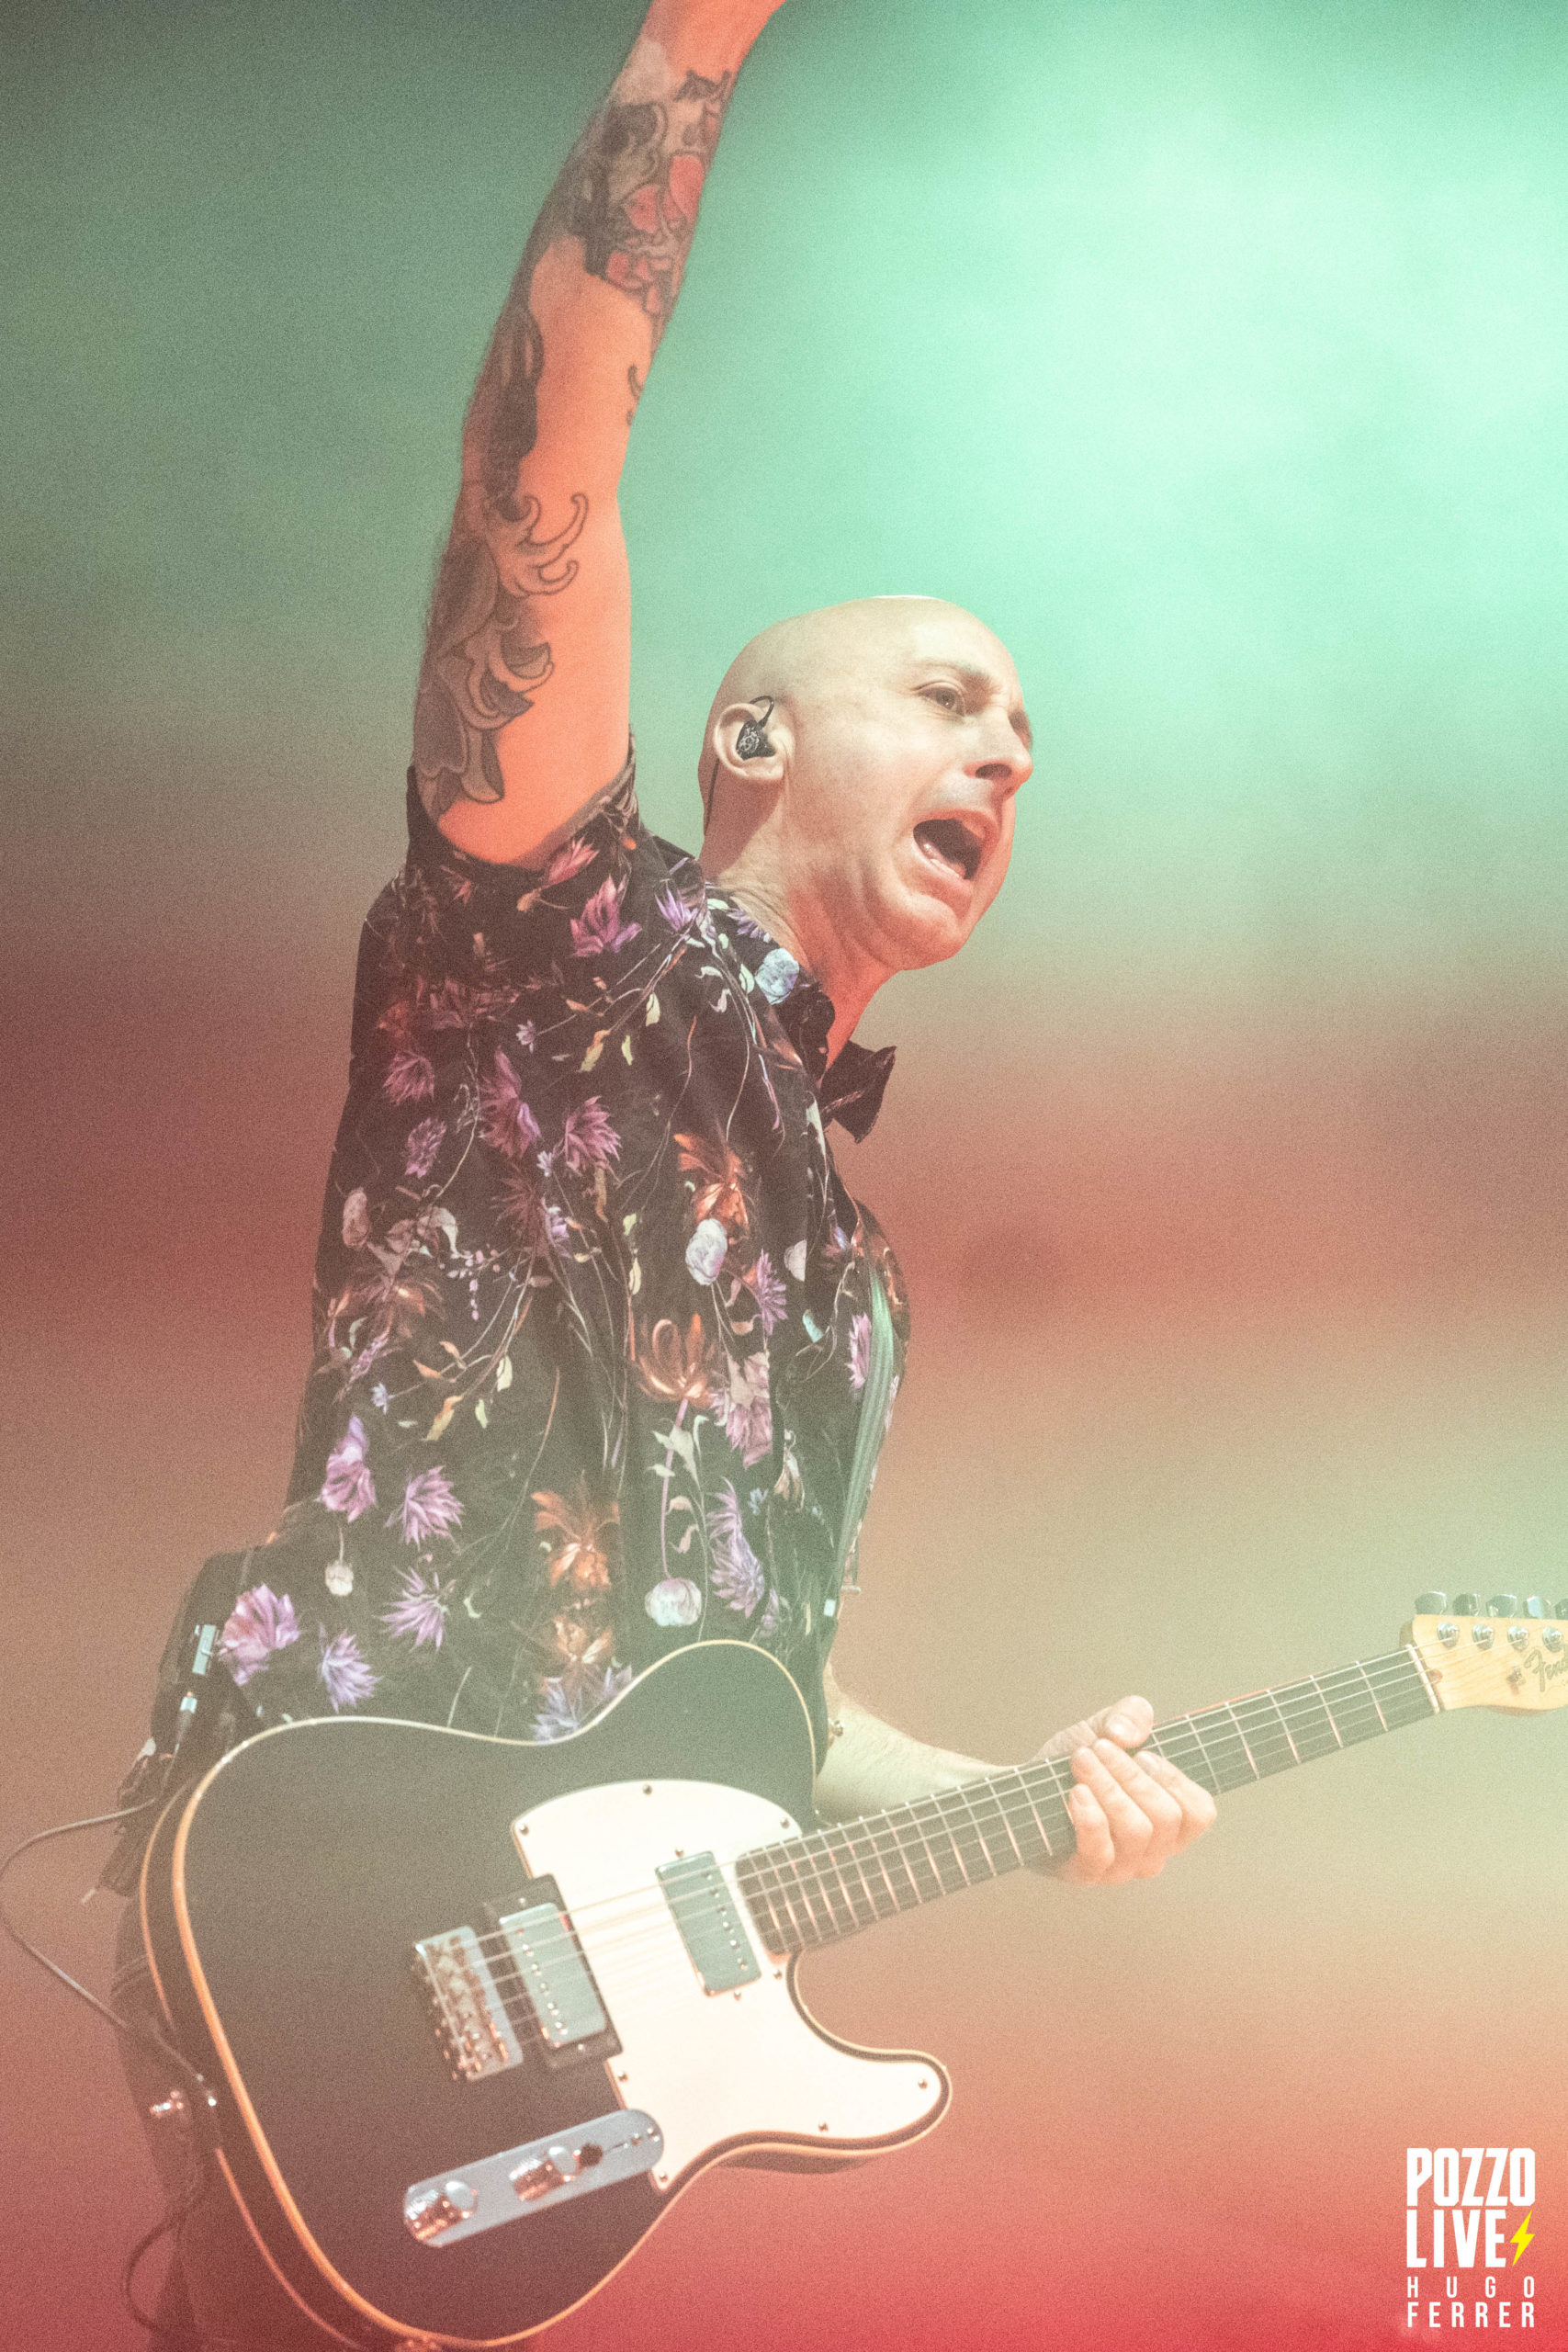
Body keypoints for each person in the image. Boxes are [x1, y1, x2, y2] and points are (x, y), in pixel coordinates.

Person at [115, 1, 1216, 2340]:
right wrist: (695, 39)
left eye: (1027, 733)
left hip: (529, 2006)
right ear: (747, 735)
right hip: (328, 1867)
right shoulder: (563, 938)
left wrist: (1013, 1791)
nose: (1009, 752)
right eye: (946, 696)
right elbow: (544, 474)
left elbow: (751, 1702)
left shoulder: (851, 1286)